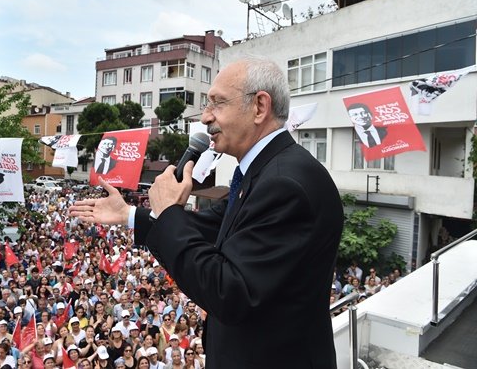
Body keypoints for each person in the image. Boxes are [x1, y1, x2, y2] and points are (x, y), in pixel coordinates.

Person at [70, 58, 344, 368]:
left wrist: (171, 212)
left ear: (259, 107)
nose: (205, 117)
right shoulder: (266, 172)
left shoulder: (284, 183)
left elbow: (230, 292)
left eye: (217, 103)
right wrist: (130, 214)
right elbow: (212, 227)